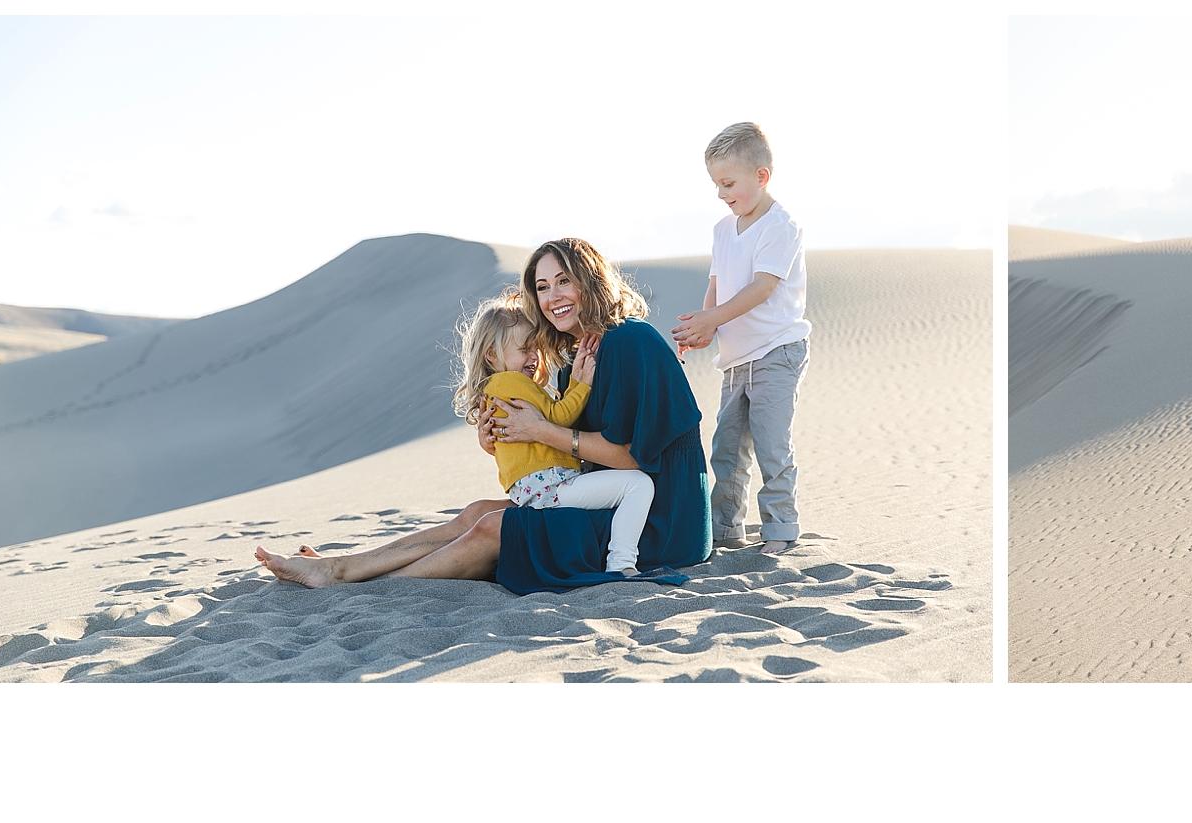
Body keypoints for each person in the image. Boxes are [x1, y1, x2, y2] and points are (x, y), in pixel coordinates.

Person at [255, 238, 711, 592]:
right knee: (477, 511)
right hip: (609, 498)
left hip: (658, 520)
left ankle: (365, 588)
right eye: (542, 286)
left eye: (564, 281)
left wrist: (544, 431)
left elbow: (634, 462)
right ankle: (340, 568)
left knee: (494, 526)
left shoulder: (632, 342)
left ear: (590, 281)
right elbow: (564, 437)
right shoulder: (580, 356)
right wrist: (501, 437)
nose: (553, 296)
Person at [672, 122, 811, 555]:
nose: (721, 193)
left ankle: (781, 529)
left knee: (772, 444)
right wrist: (706, 325)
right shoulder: (721, 229)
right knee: (727, 451)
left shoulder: (779, 226)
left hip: (777, 352)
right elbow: (718, 283)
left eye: (728, 183)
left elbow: (761, 287)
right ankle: (726, 530)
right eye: (716, 183)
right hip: (735, 359)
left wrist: (713, 316)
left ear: (761, 176)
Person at [452, 294, 652, 575]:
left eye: (536, 348)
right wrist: (582, 384)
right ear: (492, 355)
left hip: (536, 490)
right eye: (524, 349)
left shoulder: (497, 388)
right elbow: (558, 419)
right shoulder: (511, 382)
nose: (534, 356)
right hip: (551, 488)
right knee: (639, 485)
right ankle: (622, 563)